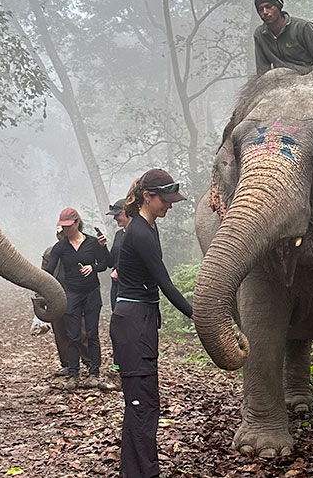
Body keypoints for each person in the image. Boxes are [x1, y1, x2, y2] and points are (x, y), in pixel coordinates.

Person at [110, 169, 193, 478]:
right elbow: (164, 282)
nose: (169, 206)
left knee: (145, 403)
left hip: (142, 322)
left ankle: (138, 471)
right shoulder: (140, 232)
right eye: (165, 200)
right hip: (133, 325)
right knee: (141, 404)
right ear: (147, 197)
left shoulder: (149, 227)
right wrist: (195, 314)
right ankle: (143, 472)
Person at [43, 207, 110, 391]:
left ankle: (94, 373)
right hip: (71, 293)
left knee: (91, 334)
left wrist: (93, 266)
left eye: (68, 225)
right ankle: (73, 374)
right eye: (62, 226)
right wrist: (38, 284)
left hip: (91, 292)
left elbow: (106, 264)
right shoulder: (61, 247)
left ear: (77, 223)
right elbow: (49, 270)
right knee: (72, 335)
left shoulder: (92, 242)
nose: (65, 229)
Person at [41, 226, 91, 377]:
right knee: (60, 330)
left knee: (82, 330)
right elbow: (43, 276)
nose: (62, 236)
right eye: (60, 233)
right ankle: (67, 364)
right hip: (56, 295)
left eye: (65, 233)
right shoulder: (50, 253)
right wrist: (41, 297)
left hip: (77, 293)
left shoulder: (80, 249)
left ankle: (89, 362)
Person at [253, 0, 313, 75]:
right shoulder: (260, 34)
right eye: (260, 9)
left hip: (308, 78)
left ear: (278, 6)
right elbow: (262, 70)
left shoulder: (303, 27)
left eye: (269, 7)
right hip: (279, 81)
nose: (265, 12)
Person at [106, 198, 129, 311]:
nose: (115, 218)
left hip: (129, 285)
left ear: (126, 212)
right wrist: (102, 247)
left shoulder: (137, 234)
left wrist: (119, 270)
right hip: (116, 284)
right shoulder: (119, 234)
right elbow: (110, 262)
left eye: (117, 214)